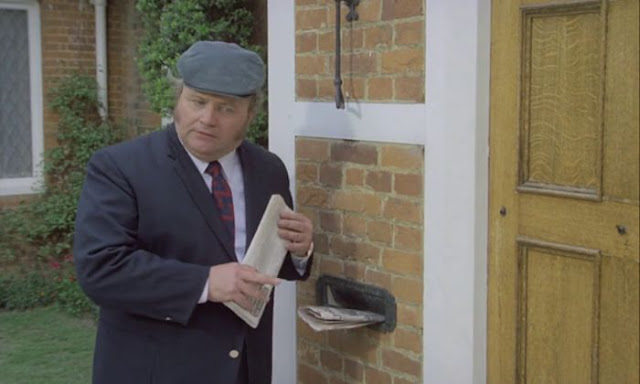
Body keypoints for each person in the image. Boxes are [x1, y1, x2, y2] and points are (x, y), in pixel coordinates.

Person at [73, 41, 314, 384]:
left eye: (226, 108)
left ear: (250, 113)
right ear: (178, 99)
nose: (207, 119)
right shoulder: (120, 167)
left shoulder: (269, 170)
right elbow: (100, 268)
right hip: (156, 371)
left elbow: (264, 266)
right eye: (197, 101)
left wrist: (299, 250)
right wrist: (205, 283)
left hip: (245, 370)